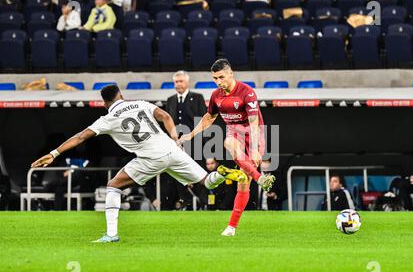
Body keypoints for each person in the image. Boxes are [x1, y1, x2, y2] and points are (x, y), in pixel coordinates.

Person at [31, 84, 246, 243]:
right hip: (171, 149)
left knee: (113, 186)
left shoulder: (107, 118)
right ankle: (222, 173)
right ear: (122, 95)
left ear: (105, 103)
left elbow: (81, 137)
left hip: (151, 157)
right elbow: (165, 116)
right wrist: (174, 138)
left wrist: (54, 152)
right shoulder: (140, 103)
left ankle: (111, 234)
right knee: (207, 182)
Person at [179, 58, 275, 236]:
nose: (218, 81)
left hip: (254, 137)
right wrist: (191, 134)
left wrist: (254, 148)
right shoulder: (216, 96)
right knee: (228, 142)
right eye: (215, 78)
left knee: (244, 184)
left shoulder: (247, 92)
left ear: (231, 74)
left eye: (221, 77)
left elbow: (254, 123)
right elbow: (209, 118)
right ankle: (260, 178)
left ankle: (232, 226)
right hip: (235, 135)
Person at [163, 70, 208, 210]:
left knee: (198, 174)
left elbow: (203, 121)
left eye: (181, 81)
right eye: (176, 82)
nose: (179, 84)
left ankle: (204, 203)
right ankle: (185, 202)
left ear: (187, 82)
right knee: (179, 174)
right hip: (177, 146)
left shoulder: (198, 97)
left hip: (196, 145)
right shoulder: (170, 100)